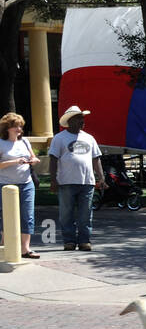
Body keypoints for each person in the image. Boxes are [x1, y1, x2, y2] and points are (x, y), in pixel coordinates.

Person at [47, 105, 104, 252]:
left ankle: (85, 241)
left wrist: (101, 178)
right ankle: (69, 241)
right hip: (66, 182)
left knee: (85, 215)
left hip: (87, 182)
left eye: (82, 118)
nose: (82, 121)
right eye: (79, 118)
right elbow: (53, 160)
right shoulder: (59, 138)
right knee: (66, 214)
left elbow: (96, 159)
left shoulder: (89, 138)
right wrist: (53, 180)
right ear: (70, 121)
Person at [0, 112, 40, 258]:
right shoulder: (1, 143)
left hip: (26, 183)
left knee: (27, 215)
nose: (19, 129)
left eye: (20, 126)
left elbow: (32, 156)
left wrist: (34, 160)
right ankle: (4, 245)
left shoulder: (24, 142)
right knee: (5, 215)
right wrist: (15, 161)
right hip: (5, 185)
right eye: (15, 126)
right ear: (7, 128)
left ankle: (25, 249)